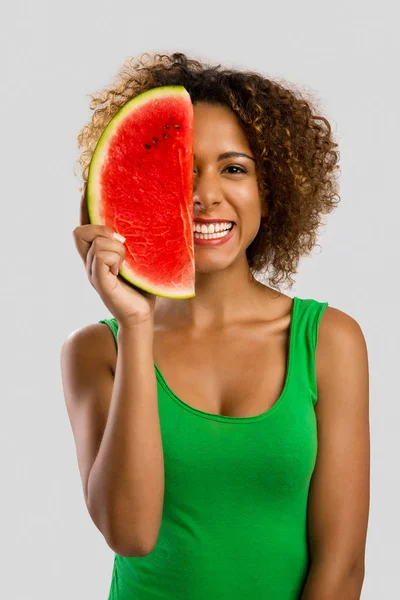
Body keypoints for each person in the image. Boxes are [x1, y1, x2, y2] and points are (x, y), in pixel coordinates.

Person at [61, 52, 370, 599]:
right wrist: (136, 324)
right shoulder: (96, 350)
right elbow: (130, 534)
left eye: (234, 168)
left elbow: (341, 566)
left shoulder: (328, 341)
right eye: (179, 171)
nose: (205, 195)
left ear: (270, 189)